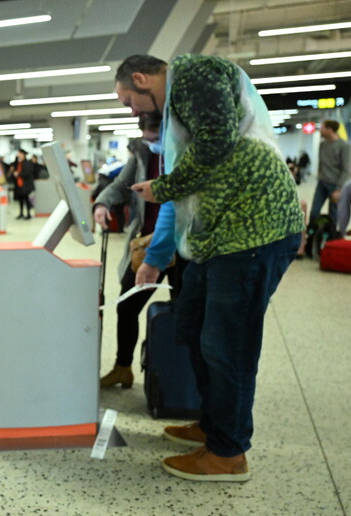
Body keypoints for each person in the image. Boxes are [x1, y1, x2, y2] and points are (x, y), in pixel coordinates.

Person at [115, 54, 304, 482]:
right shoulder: (177, 115)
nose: (134, 112)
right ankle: (212, 423)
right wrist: (158, 259)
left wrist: (161, 188)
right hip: (218, 238)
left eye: (130, 101)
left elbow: (215, 145)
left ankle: (228, 452)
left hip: (253, 231)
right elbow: (181, 195)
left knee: (227, 345)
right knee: (192, 327)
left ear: (142, 79)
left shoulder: (195, 75)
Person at [94, 117, 185, 389]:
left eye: (155, 139)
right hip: (146, 245)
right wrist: (102, 203)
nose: (152, 145)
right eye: (147, 139)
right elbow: (121, 185)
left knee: (184, 314)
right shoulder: (142, 154)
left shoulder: (186, 152)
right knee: (126, 307)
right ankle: (123, 367)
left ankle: (181, 382)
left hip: (182, 248)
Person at [309, 120, 351, 227]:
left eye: (322, 128)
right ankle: (312, 236)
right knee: (314, 212)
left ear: (330, 130)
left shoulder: (344, 146)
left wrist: (339, 189)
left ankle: (331, 239)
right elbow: (321, 164)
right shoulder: (322, 144)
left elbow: (346, 169)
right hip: (322, 183)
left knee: (333, 215)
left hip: (335, 185)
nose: (320, 130)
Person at [8, 148, 37, 219]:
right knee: (20, 200)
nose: (18, 155)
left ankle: (28, 214)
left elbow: (27, 173)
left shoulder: (27, 163)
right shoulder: (18, 163)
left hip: (26, 185)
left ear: (23, 155)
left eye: (20, 154)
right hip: (19, 185)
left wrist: (18, 174)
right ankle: (21, 213)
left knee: (26, 200)